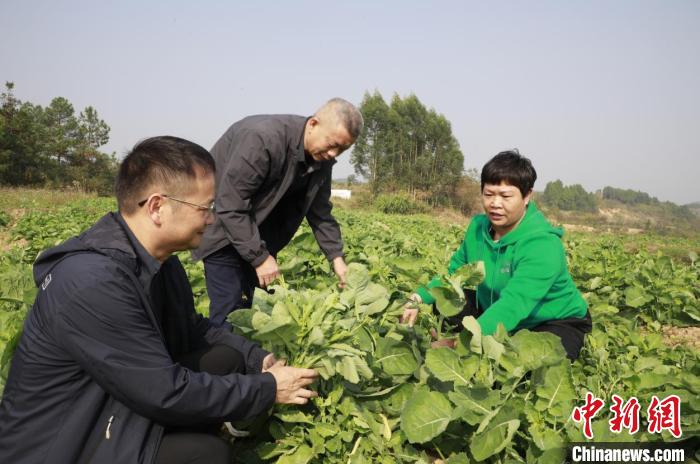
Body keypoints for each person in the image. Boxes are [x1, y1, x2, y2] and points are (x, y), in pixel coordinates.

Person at [0, 136, 318, 464]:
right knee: (207, 457)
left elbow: (193, 328)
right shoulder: (93, 282)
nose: (212, 219)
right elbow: (165, 392)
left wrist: (257, 360)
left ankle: (183, 436)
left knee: (224, 359)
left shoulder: (157, 260)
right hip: (66, 441)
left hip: (110, 402)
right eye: (205, 208)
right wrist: (267, 390)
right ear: (156, 207)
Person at [401, 150, 592, 360]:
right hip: (493, 306)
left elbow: (513, 305)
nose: (495, 204)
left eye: (506, 196)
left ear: (527, 196)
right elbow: (452, 276)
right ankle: (478, 337)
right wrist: (417, 298)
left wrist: (457, 344)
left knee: (531, 363)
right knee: (446, 299)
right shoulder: (477, 228)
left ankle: (475, 341)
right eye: (489, 194)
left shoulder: (543, 245)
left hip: (553, 321)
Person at [193, 98, 363, 327]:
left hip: (257, 237)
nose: (334, 153)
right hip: (223, 232)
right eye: (332, 143)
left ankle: (253, 361)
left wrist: (337, 259)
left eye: (342, 149)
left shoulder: (321, 161)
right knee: (229, 314)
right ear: (313, 124)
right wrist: (260, 258)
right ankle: (219, 358)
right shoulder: (263, 140)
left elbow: (321, 214)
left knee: (260, 313)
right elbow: (230, 204)